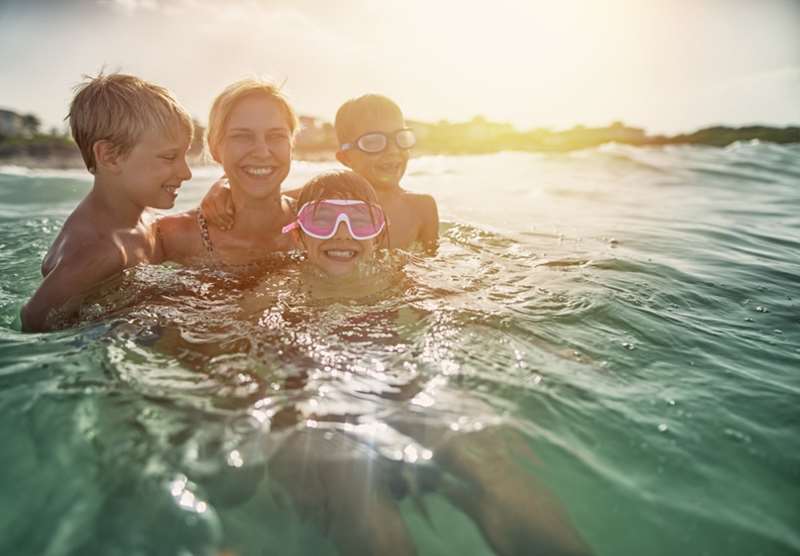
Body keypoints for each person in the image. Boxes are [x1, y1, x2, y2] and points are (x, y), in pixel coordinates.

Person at [20, 72, 193, 332]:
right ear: (110, 156)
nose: (186, 173)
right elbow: (33, 320)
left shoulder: (141, 214)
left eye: (185, 156)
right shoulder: (99, 251)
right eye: (170, 157)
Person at [201, 94, 439, 251]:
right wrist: (225, 185)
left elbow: (432, 269)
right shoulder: (315, 202)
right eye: (374, 142)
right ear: (345, 158)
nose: (392, 151)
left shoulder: (422, 208)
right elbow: (264, 198)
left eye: (401, 138)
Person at [156, 78, 298, 267]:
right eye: (242, 136)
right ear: (215, 148)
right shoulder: (173, 237)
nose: (262, 152)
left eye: (276, 136)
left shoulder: (321, 227)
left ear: (292, 145)